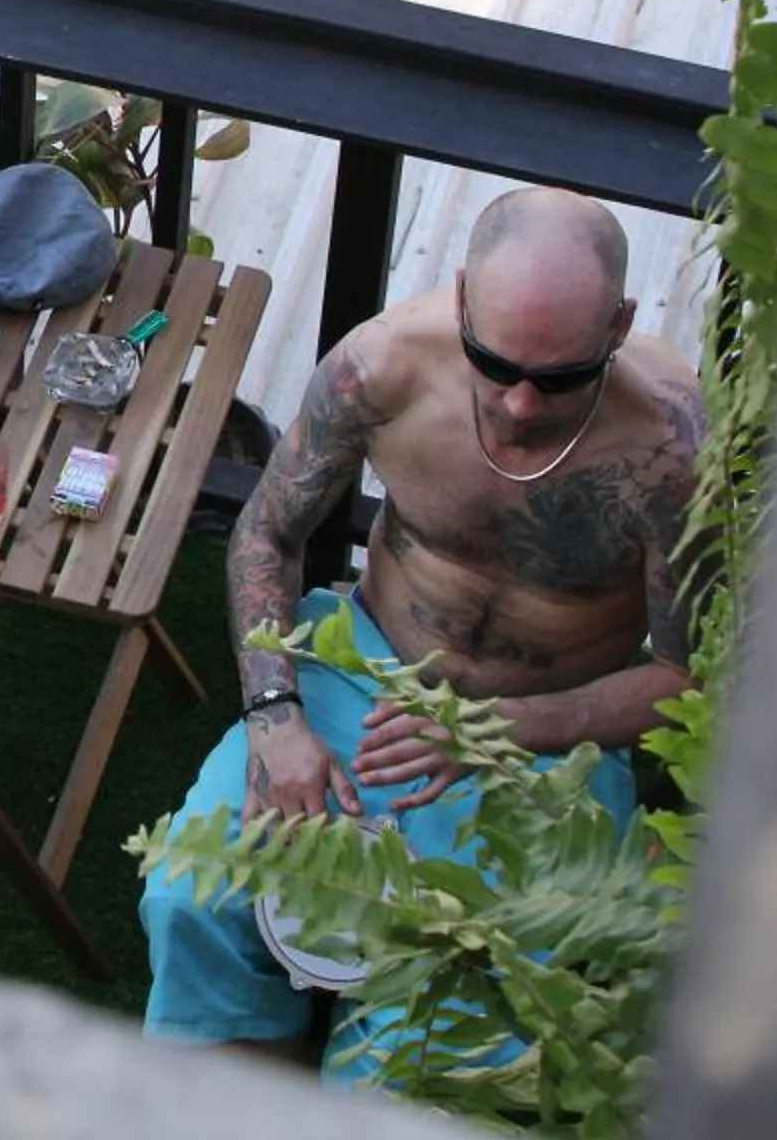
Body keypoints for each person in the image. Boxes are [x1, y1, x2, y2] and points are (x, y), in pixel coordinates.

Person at [140, 185, 707, 1073]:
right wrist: (275, 715)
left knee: (471, 993)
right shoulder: (383, 366)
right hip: (364, 667)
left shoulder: (673, 450)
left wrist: (504, 729)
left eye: (560, 377)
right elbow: (267, 532)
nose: (521, 405)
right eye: (496, 362)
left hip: (548, 737)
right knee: (193, 893)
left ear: (621, 323)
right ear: (460, 297)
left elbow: (692, 682)